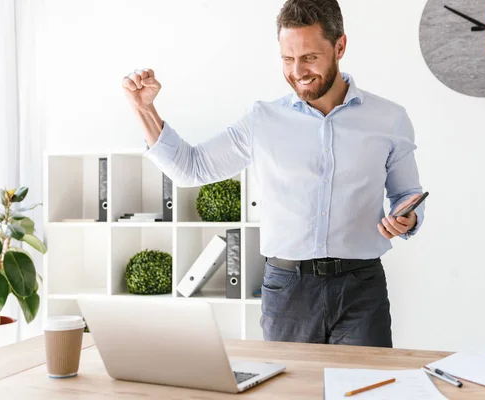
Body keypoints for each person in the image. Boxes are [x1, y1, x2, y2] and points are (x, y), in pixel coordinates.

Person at [122, 0, 425, 347]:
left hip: (361, 288)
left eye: (309, 57)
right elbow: (192, 168)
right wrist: (144, 110)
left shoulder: (389, 119)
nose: (298, 71)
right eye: (287, 59)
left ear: (340, 46)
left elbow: (407, 196)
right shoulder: (262, 120)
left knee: (364, 392)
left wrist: (408, 218)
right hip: (288, 289)